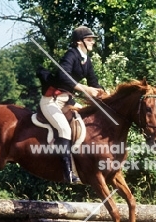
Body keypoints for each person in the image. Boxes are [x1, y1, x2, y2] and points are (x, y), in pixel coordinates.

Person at [39, 26, 104, 184]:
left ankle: (83, 166)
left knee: (86, 124)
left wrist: (105, 94)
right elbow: (63, 76)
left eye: (92, 40)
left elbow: (93, 82)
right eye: (89, 39)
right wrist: (85, 89)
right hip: (52, 100)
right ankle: (67, 172)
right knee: (65, 129)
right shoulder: (71, 54)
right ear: (79, 42)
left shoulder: (86, 59)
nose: (92, 43)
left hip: (68, 100)